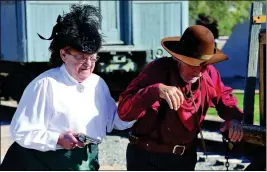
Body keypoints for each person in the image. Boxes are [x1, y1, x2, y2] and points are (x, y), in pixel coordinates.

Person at [0, 4, 134, 171]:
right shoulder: (45, 84)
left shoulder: (97, 83)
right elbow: (21, 131)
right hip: (45, 163)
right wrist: (57, 138)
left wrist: (137, 106)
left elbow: (113, 121)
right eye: (80, 57)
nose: (88, 64)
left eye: (93, 58)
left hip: (85, 161)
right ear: (63, 54)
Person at [117, 25, 244, 171]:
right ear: (179, 58)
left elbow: (225, 98)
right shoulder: (157, 69)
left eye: (203, 65)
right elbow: (124, 111)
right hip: (147, 158)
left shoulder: (209, 74)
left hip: (184, 160)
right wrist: (154, 91)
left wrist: (233, 119)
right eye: (192, 64)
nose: (198, 72)